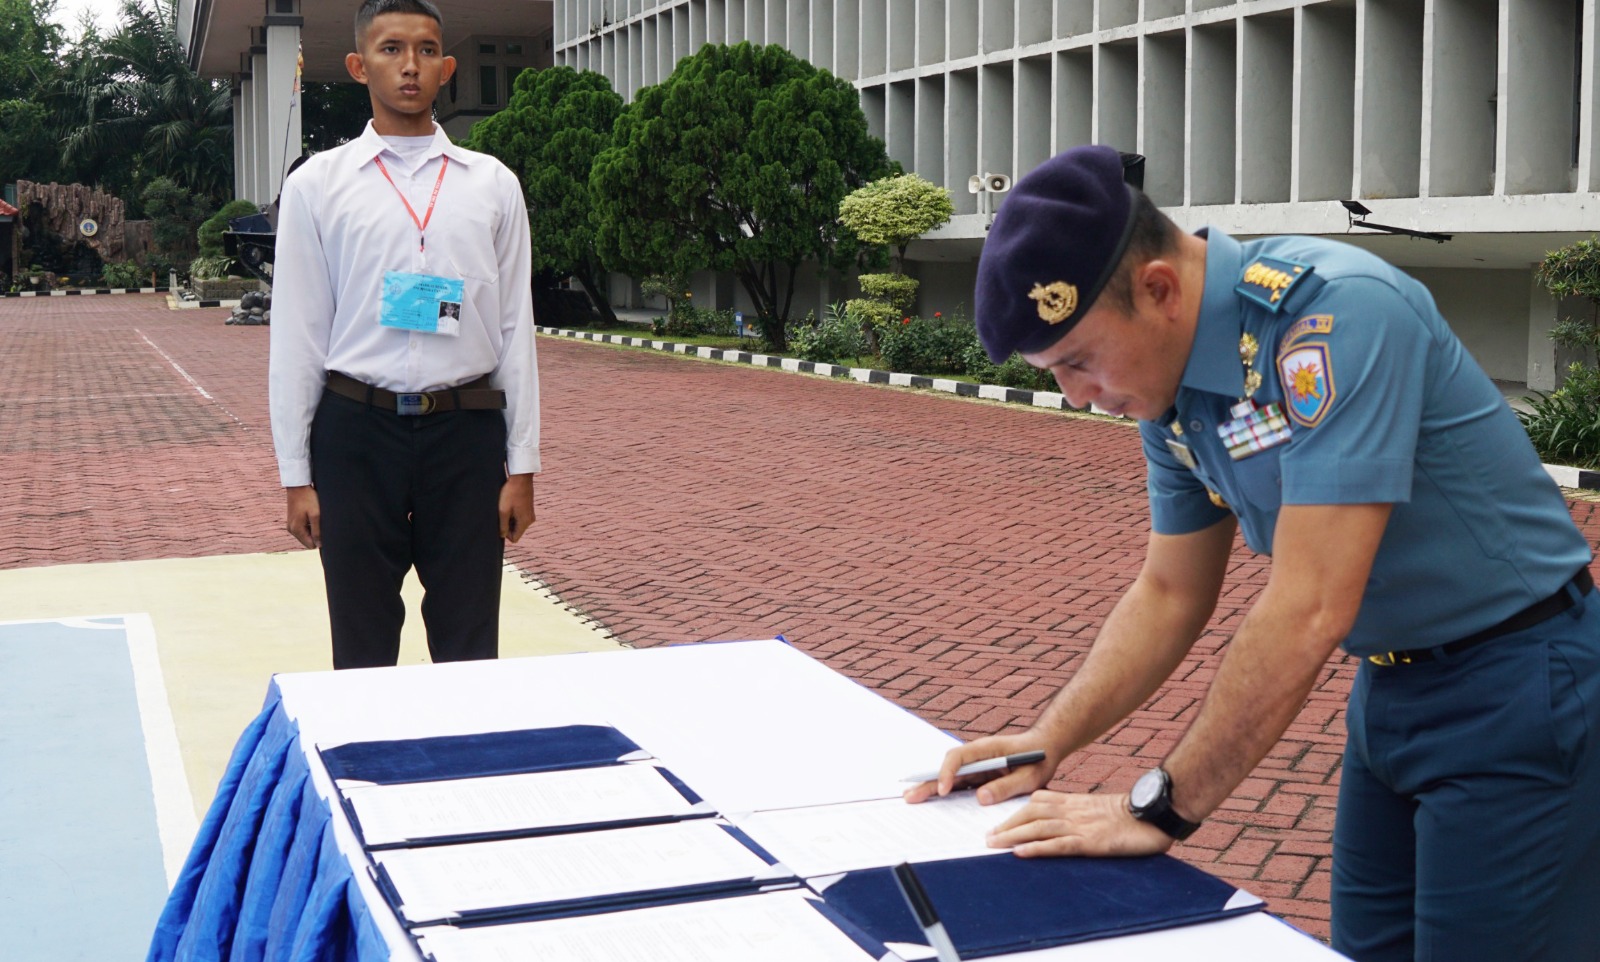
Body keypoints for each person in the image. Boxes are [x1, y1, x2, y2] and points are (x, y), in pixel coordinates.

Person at [905, 145, 1600, 961]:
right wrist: (1047, 740)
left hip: (1519, 690)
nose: (1078, 396)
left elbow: (1308, 608)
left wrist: (1158, 809)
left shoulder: (1334, 318)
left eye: (1079, 361)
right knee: (1366, 948)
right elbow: (1169, 591)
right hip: (1390, 687)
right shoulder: (1171, 390)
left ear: (1159, 288)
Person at [269, 0, 537, 669]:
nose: (409, 65)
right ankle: (366, 771)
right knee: (360, 643)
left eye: (424, 50)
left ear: (446, 67)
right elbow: (298, 333)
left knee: (469, 638)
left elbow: (514, 331)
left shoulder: (492, 185)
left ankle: (464, 767)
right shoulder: (319, 186)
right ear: (359, 65)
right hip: (356, 433)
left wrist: (523, 466)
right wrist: (296, 476)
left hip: (465, 434)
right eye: (390, 49)